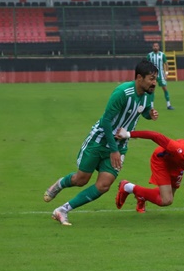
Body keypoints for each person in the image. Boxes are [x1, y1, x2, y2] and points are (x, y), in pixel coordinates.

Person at [43, 60, 159, 226]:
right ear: (139, 78)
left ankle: (62, 210)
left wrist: (151, 114)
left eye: (155, 78)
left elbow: (143, 111)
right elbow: (106, 121)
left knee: (104, 185)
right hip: (100, 140)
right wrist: (113, 150)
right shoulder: (122, 93)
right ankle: (60, 184)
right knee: (81, 179)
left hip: (120, 145)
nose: (154, 82)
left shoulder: (149, 94)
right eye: (151, 78)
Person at [114, 128, 184, 221]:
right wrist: (128, 134)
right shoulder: (182, 151)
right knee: (166, 200)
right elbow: (155, 136)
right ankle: (128, 187)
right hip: (162, 159)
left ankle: (142, 196)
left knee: (167, 196)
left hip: (178, 164)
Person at [146, 42, 174, 110]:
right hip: (153, 75)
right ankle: (151, 106)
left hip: (161, 75)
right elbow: (146, 65)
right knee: (152, 90)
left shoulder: (162, 55)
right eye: (154, 46)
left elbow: (166, 64)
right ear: (152, 47)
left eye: (156, 46)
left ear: (159, 47)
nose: (155, 47)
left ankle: (168, 105)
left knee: (165, 89)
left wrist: (166, 73)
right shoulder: (149, 55)